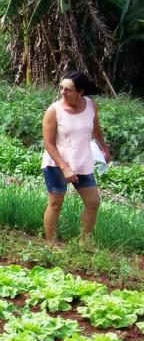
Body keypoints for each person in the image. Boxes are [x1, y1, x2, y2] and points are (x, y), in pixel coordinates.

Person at [42, 72, 110, 244]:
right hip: (56, 164)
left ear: (81, 92)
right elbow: (48, 144)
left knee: (93, 203)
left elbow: (96, 129)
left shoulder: (91, 106)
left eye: (68, 90)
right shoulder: (53, 111)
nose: (63, 93)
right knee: (56, 204)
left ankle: (83, 243)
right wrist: (64, 167)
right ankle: (51, 244)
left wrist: (104, 148)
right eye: (61, 88)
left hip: (82, 163)